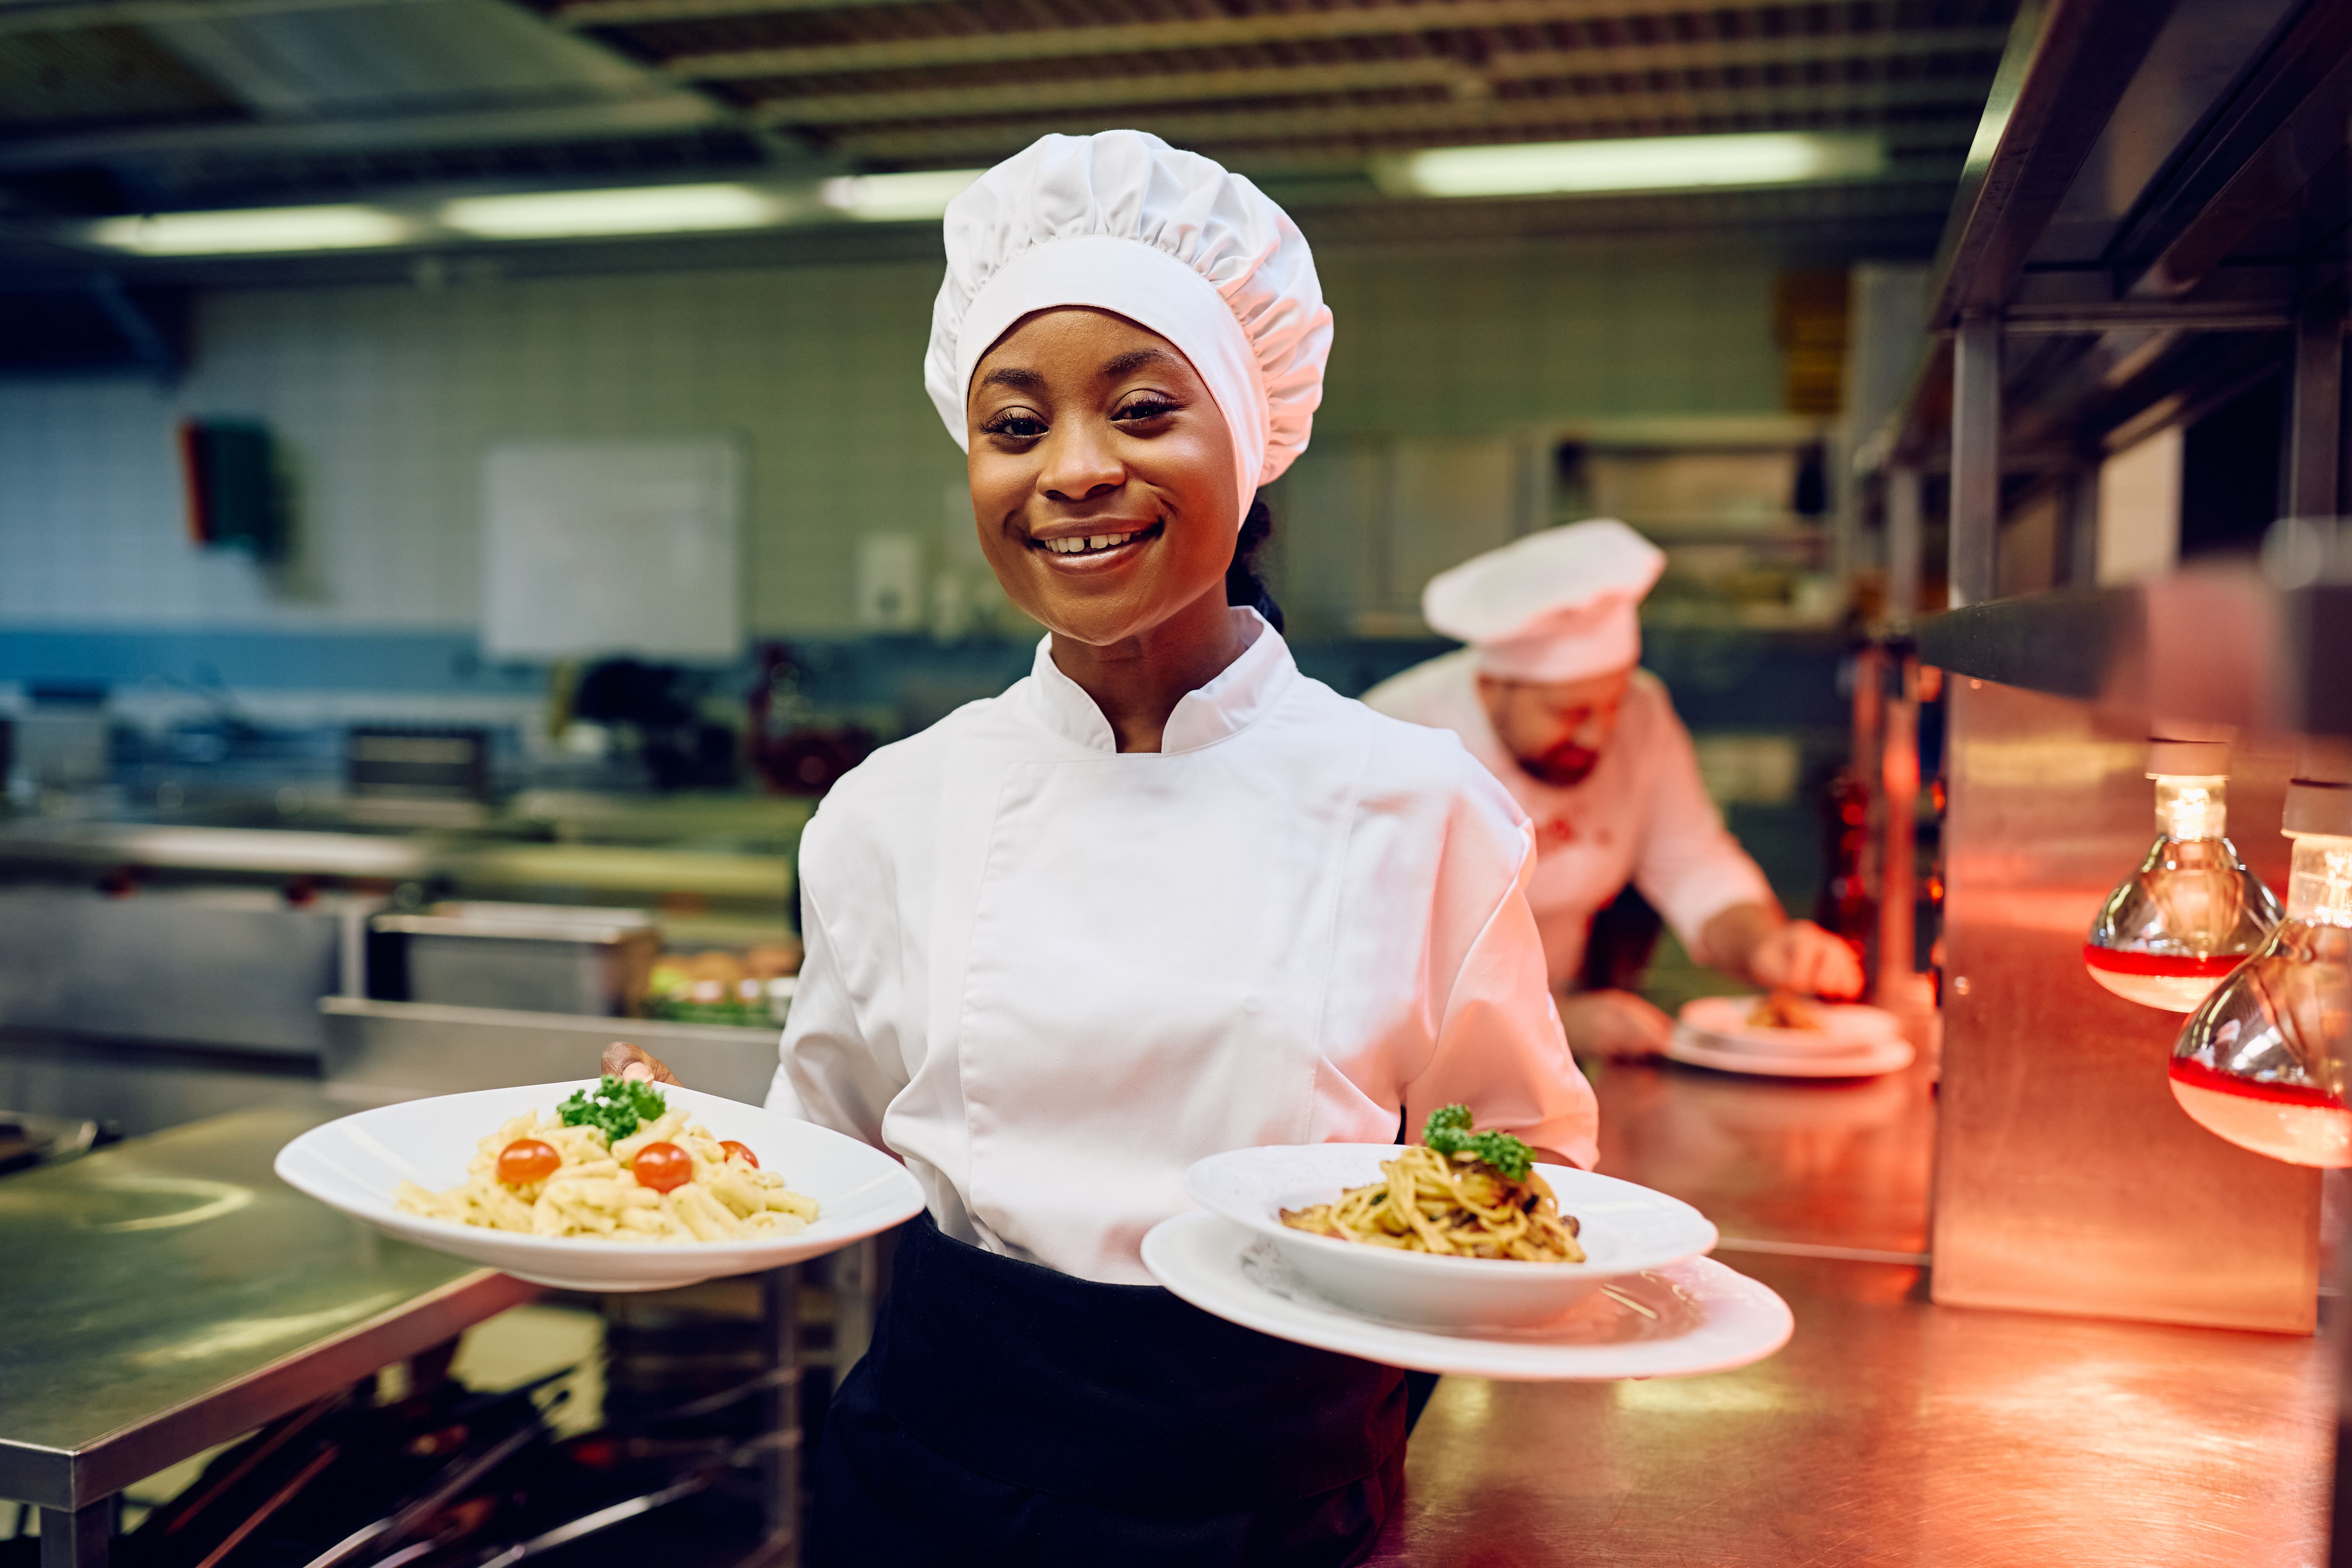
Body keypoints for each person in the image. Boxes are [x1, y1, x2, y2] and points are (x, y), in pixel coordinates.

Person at [606, 129, 1594, 1566]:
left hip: (1273, 1501)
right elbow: (819, 1152)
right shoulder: (888, 810)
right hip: (931, 1488)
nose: (1073, 471)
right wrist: (647, 1146)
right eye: (1015, 426)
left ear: (1249, 441)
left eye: (1141, 410)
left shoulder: (1419, 803)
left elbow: (1514, 1170)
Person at [1361, 519, 1864, 1062]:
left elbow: (1693, 863)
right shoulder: (1392, 737)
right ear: (1494, 682)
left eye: (1612, 705)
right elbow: (1369, 964)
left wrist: (1762, 945)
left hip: (1556, 1030)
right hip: (1417, 1058)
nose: (1597, 737)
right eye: (1570, 713)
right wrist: (1548, 1024)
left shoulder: (1643, 715)